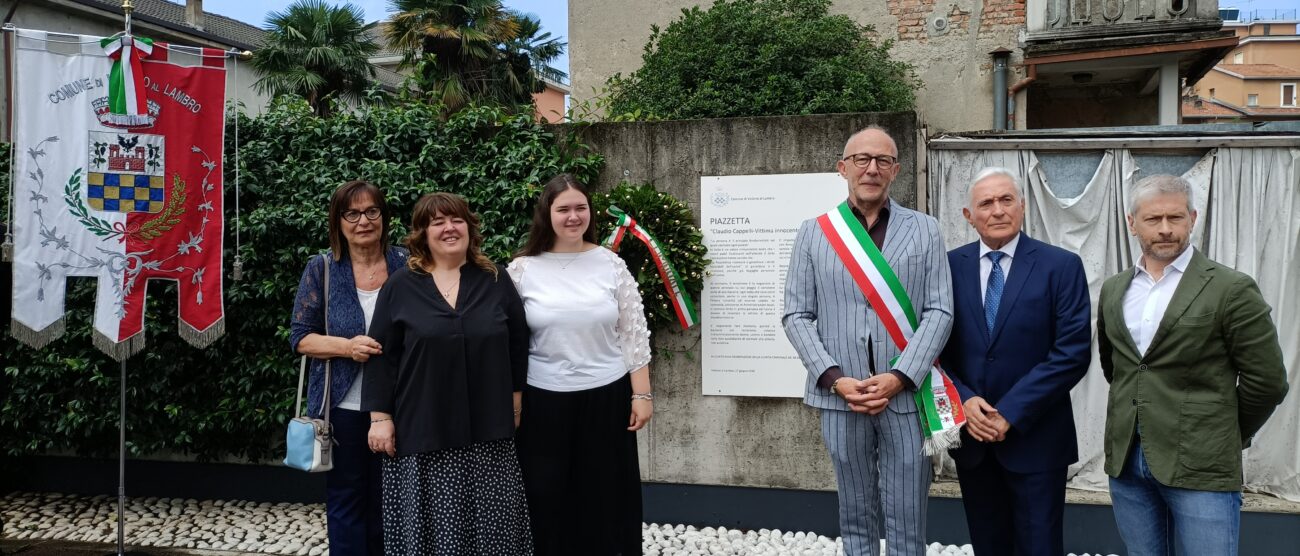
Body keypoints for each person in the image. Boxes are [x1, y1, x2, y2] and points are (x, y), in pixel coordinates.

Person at [783, 126, 953, 556]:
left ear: (895, 170)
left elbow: (940, 311)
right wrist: (835, 378)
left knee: (908, 513)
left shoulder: (925, 229)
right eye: (861, 159)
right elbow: (796, 314)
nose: (871, 169)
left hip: (905, 397)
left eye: (882, 161)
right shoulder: (815, 232)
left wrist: (900, 376)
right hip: (842, 396)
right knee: (855, 512)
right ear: (843, 168)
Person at [1096, 174, 1288, 556]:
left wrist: (1222, 431)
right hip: (1127, 461)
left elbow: (1267, 381)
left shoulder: (1231, 288)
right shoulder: (1115, 288)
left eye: (1176, 218)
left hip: (1203, 463)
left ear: (1193, 218)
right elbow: (1117, 368)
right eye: (1153, 219)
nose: (1166, 229)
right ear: (1131, 223)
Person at [362, 192, 532, 555]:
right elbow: (381, 354)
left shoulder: (495, 279)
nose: (449, 228)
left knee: (492, 530)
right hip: (423, 431)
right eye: (437, 222)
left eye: (456, 220)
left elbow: (518, 344)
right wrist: (380, 417)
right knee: (433, 535)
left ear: (469, 227)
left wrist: (515, 402)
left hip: (488, 434)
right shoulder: (400, 286)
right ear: (422, 233)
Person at [939, 168, 1091, 556]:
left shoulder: (1061, 266)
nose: (997, 210)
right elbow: (934, 349)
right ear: (968, 215)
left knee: (1040, 546)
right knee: (989, 546)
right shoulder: (946, 268)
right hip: (972, 440)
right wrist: (966, 401)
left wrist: (1009, 412)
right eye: (986, 203)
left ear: (1022, 206)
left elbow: (1071, 352)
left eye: (1006, 200)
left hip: (1036, 438)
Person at [508, 174, 652, 556]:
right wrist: (514, 400)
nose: (573, 217)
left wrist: (642, 394)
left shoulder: (610, 263)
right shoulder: (522, 269)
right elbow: (509, 340)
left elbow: (633, 332)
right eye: (563, 209)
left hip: (607, 398)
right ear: (546, 214)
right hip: (544, 401)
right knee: (547, 496)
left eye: (580, 208)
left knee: (606, 496)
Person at [289, 180, 406, 556]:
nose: (363, 221)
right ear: (338, 221)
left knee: (393, 502)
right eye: (352, 213)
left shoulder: (408, 265)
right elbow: (301, 338)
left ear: (384, 217)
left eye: (372, 211)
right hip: (341, 411)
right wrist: (346, 346)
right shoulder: (322, 268)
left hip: (401, 405)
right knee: (346, 502)